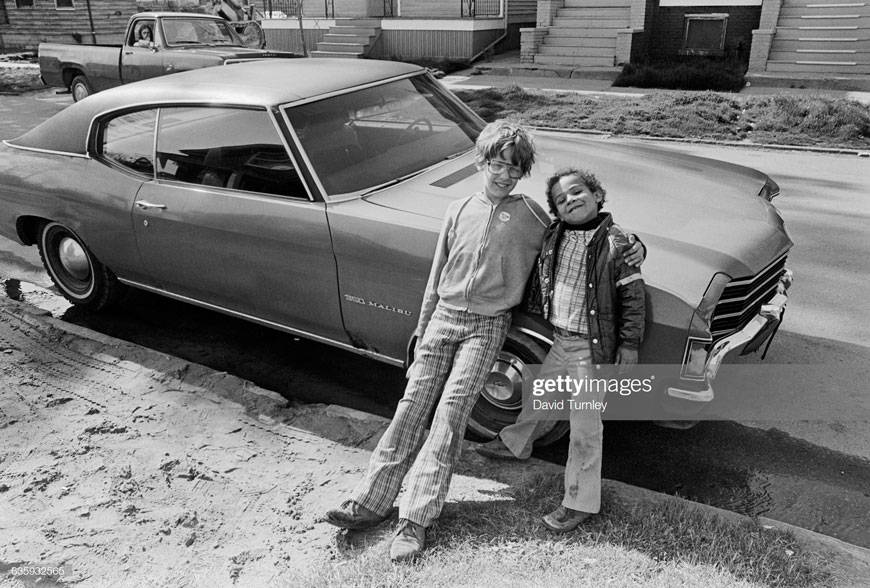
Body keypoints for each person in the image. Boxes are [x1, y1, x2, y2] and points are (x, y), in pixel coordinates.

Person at [324, 120, 551, 563]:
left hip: (487, 327)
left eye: (513, 168)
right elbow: (436, 279)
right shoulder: (458, 208)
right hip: (443, 319)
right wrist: (422, 328)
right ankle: (371, 501)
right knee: (411, 407)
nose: (503, 174)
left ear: (523, 172)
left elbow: (578, 239)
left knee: (450, 416)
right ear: (481, 161)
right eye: (496, 164)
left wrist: (629, 245)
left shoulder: (533, 216)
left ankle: (415, 520)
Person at [477, 167, 645, 532]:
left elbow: (632, 299)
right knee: (541, 399)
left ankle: (579, 502)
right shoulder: (555, 234)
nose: (570, 200)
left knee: (585, 428)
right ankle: (515, 444)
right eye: (560, 199)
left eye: (577, 192)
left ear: (598, 195)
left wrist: (629, 345)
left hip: (591, 348)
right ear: (556, 211)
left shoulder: (617, 244)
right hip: (561, 339)